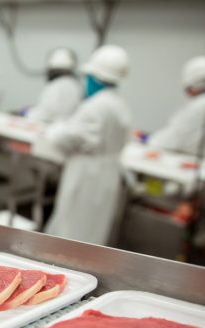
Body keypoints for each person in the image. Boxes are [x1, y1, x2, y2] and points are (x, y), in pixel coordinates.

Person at [44, 44, 132, 245]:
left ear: (96, 76)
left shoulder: (95, 106)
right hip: (108, 174)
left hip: (86, 174)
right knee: (94, 231)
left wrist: (55, 130)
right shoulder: (120, 104)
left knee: (73, 228)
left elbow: (69, 138)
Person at [147, 55, 205, 160]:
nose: (187, 92)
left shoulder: (202, 105)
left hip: (191, 162)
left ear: (195, 84)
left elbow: (176, 137)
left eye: (188, 88)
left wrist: (149, 140)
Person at [27, 48, 82, 124]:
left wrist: (28, 113)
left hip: (51, 128)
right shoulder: (76, 85)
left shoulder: (55, 86)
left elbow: (44, 113)